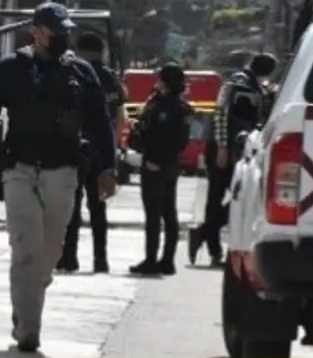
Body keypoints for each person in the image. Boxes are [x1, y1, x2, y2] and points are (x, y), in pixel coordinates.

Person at [0, 2, 117, 353]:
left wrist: (107, 168)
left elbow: (100, 123)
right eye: (54, 30)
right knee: (25, 247)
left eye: (65, 30)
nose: (61, 36)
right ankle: (28, 327)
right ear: (36, 30)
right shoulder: (11, 69)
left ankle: (29, 303)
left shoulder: (81, 72)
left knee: (50, 253)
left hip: (64, 170)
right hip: (20, 169)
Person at [188, 52, 277, 266]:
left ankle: (203, 234)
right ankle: (213, 250)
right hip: (224, 148)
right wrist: (222, 147)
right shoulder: (237, 83)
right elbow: (221, 114)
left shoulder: (258, 88)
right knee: (220, 197)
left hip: (239, 149)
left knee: (240, 196)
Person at [58, 32, 125, 274]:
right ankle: (100, 259)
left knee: (72, 206)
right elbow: (120, 117)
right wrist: (113, 151)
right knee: (98, 208)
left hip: (77, 148)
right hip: (101, 151)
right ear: (102, 51)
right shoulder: (111, 79)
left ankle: (69, 257)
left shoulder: (74, 73)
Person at [129, 63, 194, 276]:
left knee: (155, 216)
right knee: (168, 214)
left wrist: (155, 159)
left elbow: (168, 138)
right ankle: (166, 260)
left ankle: (152, 260)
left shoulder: (167, 106)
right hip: (169, 165)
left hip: (157, 164)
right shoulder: (175, 104)